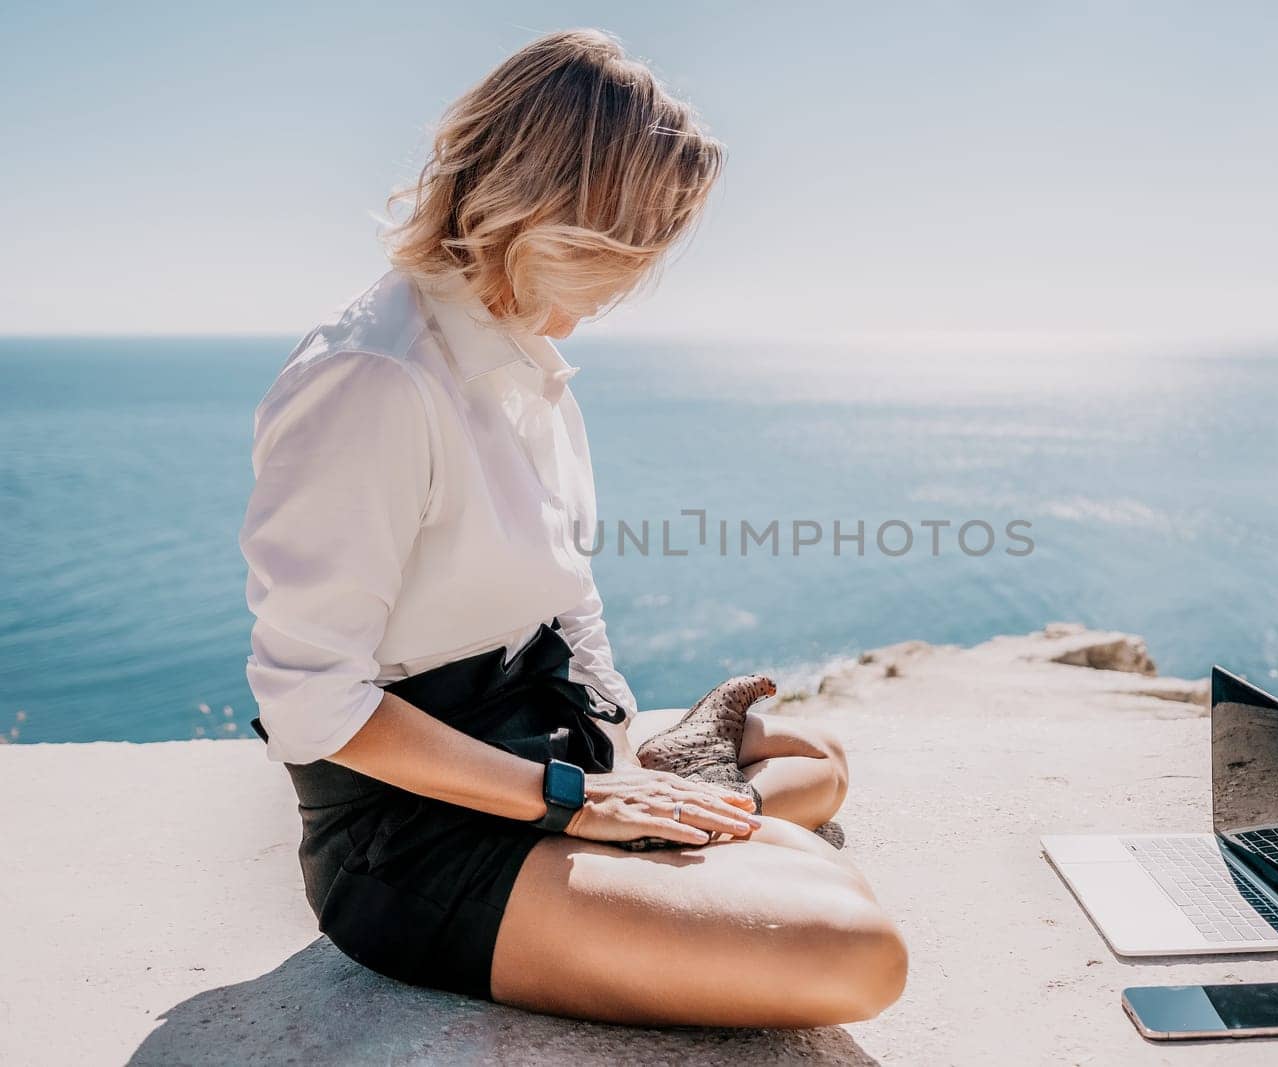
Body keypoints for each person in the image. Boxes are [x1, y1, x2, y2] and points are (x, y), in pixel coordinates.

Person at [237, 29, 907, 1028]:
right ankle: (676, 800)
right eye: (634, 247)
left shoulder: (522, 357)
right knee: (857, 954)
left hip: (548, 746)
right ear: (558, 220)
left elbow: (569, 596)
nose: (637, 280)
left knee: (820, 760)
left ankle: (677, 774)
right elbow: (311, 701)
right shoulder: (373, 379)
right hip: (419, 834)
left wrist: (617, 751)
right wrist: (577, 800)